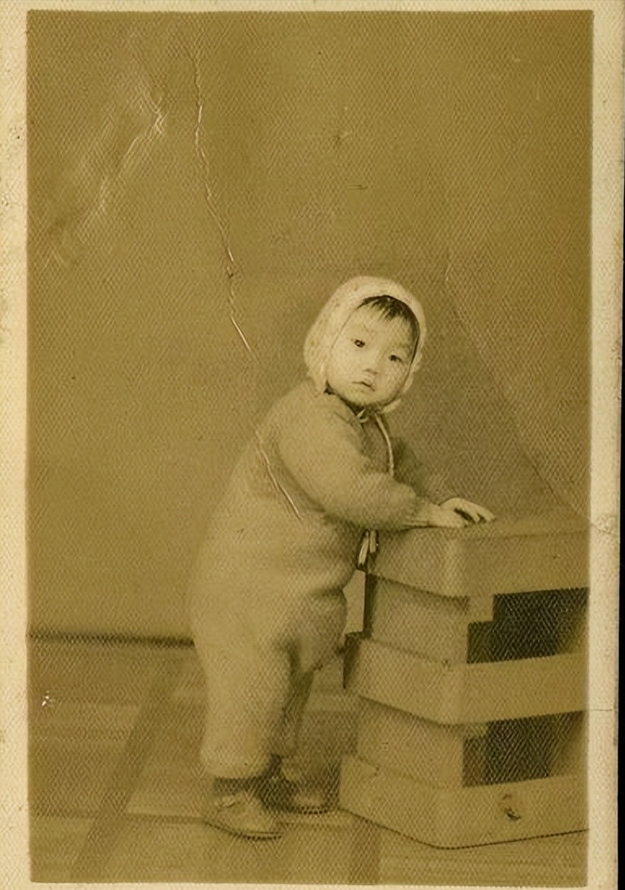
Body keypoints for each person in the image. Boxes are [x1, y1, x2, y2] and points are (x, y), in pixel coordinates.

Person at [189, 276, 494, 839]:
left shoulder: (368, 426)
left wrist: (441, 496)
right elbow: (350, 490)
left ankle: (266, 774)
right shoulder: (308, 417)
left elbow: (400, 465)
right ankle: (230, 789)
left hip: (295, 591)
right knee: (251, 688)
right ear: (324, 341)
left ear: (409, 372)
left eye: (395, 357)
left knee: (286, 686)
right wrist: (422, 513)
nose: (373, 366)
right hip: (247, 586)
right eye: (358, 344)